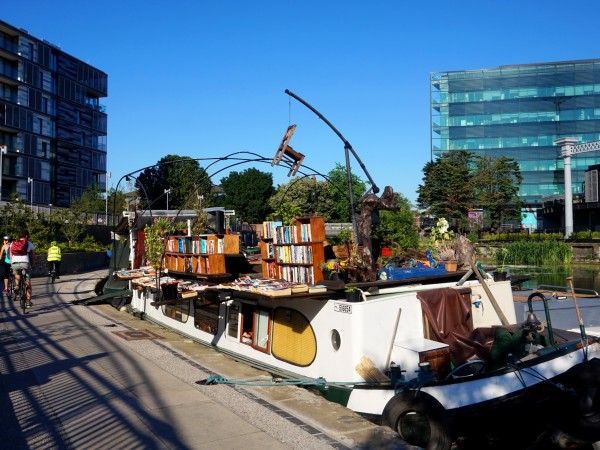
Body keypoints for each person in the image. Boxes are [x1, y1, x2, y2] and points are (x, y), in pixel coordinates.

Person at [10, 229, 35, 306]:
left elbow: (11, 255)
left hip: (15, 263)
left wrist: (12, 264)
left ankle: (17, 285)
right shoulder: (30, 244)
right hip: (25, 264)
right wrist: (32, 265)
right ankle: (28, 302)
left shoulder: (13, 243)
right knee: (28, 283)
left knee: (17, 274)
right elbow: (33, 257)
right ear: (26, 236)